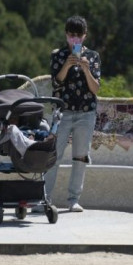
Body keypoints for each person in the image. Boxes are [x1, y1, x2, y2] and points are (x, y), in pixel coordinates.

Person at [44, 15, 101, 212]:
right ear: (66, 35)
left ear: (84, 36)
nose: (74, 39)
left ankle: (73, 199)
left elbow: (95, 89)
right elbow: (56, 82)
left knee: (80, 156)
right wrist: (67, 65)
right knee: (54, 156)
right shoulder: (58, 56)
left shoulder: (93, 57)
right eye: (71, 35)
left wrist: (86, 69)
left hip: (86, 112)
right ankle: (44, 198)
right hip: (63, 112)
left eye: (78, 35)